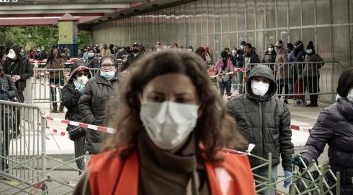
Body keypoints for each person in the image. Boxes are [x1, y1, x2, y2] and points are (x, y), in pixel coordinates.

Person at [73, 50, 256, 195]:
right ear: (138, 102)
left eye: (182, 99)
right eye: (157, 98)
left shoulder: (234, 174)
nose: (168, 109)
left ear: (200, 105)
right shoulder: (102, 175)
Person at [292, 66, 353, 195]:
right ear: (345, 88)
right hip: (345, 184)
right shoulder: (330, 114)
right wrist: (305, 157)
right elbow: (315, 143)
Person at [227, 64, 294, 195]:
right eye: (257, 79)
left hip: (267, 166)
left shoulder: (280, 108)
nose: (260, 83)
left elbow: (285, 139)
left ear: (271, 84)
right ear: (250, 80)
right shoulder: (234, 105)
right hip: (241, 164)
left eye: (265, 81)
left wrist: (288, 166)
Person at [79, 56, 118, 154]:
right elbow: (83, 103)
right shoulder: (92, 83)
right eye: (104, 65)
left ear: (115, 67)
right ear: (100, 67)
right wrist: (92, 120)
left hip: (118, 130)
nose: (107, 67)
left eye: (110, 65)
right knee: (99, 164)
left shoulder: (124, 82)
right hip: (97, 131)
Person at [61, 62, 91, 173]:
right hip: (76, 121)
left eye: (85, 74)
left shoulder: (91, 86)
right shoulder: (67, 88)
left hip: (91, 120)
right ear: (74, 75)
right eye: (80, 74)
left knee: (95, 147)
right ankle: (81, 172)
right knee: (80, 149)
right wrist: (79, 92)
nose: (83, 76)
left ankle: (94, 174)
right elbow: (68, 102)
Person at [3, 45, 33, 137]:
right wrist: (9, 77)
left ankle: (16, 130)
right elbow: (4, 71)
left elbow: (30, 73)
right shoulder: (8, 60)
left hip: (18, 88)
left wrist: (20, 76)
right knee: (8, 109)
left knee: (17, 109)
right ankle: (8, 129)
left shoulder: (25, 60)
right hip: (8, 87)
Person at [302, 41, 324, 107]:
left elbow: (322, 62)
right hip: (307, 74)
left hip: (314, 75)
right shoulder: (306, 56)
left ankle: (315, 102)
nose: (308, 50)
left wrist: (317, 66)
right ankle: (312, 102)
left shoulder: (315, 56)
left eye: (310, 48)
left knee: (315, 88)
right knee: (310, 88)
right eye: (308, 48)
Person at [46, 48, 67, 113]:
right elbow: (47, 67)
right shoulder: (50, 59)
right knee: (53, 93)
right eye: (54, 51)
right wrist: (54, 69)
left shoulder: (61, 59)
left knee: (61, 93)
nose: (55, 52)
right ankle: (54, 107)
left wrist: (53, 69)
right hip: (52, 78)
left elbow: (61, 66)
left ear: (58, 52)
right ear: (52, 52)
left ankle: (61, 107)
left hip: (60, 77)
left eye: (56, 51)